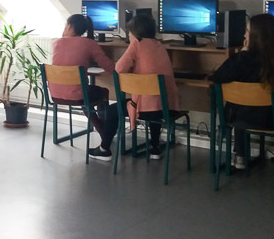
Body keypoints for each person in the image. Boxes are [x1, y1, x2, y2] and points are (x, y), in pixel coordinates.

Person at [210, 13, 274, 169]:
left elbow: (217, 77)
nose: (244, 35)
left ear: (256, 37)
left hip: (239, 120)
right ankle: (241, 155)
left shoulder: (241, 60)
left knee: (239, 105)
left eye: (247, 31)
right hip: (273, 121)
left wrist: (242, 52)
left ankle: (240, 155)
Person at [91, 13, 180, 161]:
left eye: (129, 32)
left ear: (135, 33)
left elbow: (119, 69)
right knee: (154, 101)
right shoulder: (160, 46)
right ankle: (155, 148)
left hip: (146, 110)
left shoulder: (137, 44)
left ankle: (104, 149)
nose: (129, 35)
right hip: (167, 108)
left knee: (113, 110)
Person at [50, 14, 116, 153]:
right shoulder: (89, 44)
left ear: (69, 26)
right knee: (101, 92)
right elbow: (109, 67)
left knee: (84, 95)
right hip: (77, 95)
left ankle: (103, 132)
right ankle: (104, 134)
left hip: (55, 95)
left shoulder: (56, 43)